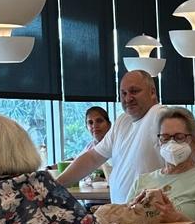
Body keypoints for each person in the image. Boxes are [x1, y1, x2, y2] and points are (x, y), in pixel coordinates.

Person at [56, 70, 162, 203]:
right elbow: (93, 158)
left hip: (153, 215)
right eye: (123, 93)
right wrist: (56, 184)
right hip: (122, 214)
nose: (128, 98)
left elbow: (194, 151)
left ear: (152, 92)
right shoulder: (123, 120)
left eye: (134, 91)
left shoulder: (162, 116)